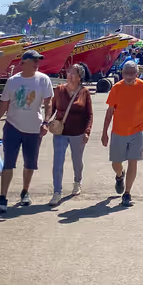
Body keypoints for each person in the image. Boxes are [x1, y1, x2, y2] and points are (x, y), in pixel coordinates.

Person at [0, 49, 54, 212]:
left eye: (38, 61)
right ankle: (3, 197)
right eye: (34, 60)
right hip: (12, 127)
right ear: (23, 63)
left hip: (34, 128)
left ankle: (25, 192)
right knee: (8, 162)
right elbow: (4, 103)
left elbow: (49, 102)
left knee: (30, 163)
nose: (37, 63)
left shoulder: (43, 80)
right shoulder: (13, 81)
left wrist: (46, 122)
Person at [101, 60, 143, 207]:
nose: (130, 76)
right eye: (127, 73)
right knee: (116, 163)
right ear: (122, 73)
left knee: (133, 160)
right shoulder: (116, 88)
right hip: (119, 130)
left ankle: (127, 193)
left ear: (137, 74)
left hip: (138, 130)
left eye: (133, 73)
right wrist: (104, 132)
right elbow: (109, 111)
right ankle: (120, 176)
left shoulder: (142, 86)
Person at [49, 63, 93, 207]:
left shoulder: (84, 92)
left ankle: (77, 181)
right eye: (68, 73)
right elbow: (52, 107)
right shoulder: (59, 90)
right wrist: (46, 121)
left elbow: (89, 114)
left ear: (79, 77)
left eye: (73, 73)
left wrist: (87, 132)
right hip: (61, 132)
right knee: (57, 163)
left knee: (76, 160)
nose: (69, 75)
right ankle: (57, 192)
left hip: (78, 133)